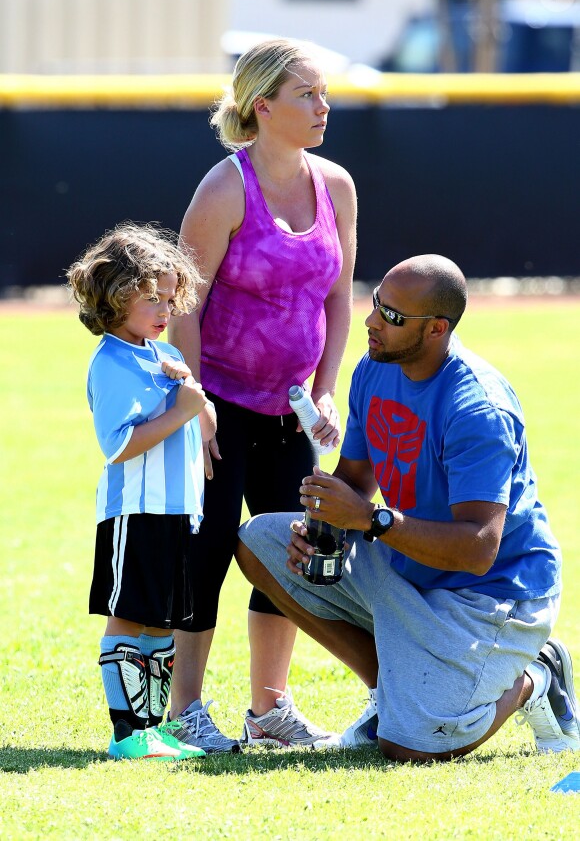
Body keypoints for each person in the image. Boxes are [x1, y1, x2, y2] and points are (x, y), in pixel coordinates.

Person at [236, 254, 580, 761]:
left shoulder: (478, 408)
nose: (372, 321)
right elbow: (356, 480)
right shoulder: (375, 368)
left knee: (409, 747)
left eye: (392, 316)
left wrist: (369, 519)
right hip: (411, 565)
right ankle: (389, 694)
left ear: (437, 328)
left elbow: (478, 549)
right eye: (377, 303)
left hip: (491, 593)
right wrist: (318, 528)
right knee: (259, 544)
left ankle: (536, 676)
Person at [168, 37, 357, 751]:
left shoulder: (337, 185)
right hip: (218, 405)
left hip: (292, 414)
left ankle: (268, 711)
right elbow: (184, 304)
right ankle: (184, 710)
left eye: (323, 92)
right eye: (306, 94)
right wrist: (194, 402)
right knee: (208, 547)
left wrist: (326, 390)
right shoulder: (224, 188)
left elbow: (339, 297)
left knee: (288, 554)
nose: (322, 106)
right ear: (263, 105)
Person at [66, 222, 210, 761]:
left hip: (177, 511)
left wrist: (197, 405)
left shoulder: (157, 355)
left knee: (162, 620)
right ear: (115, 295)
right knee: (129, 613)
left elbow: (196, 413)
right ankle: (127, 734)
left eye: (170, 299)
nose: (165, 310)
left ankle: (152, 730)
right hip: (138, 511)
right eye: (152, 298)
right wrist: (183, 410)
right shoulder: (111, 361)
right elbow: (119, 445)